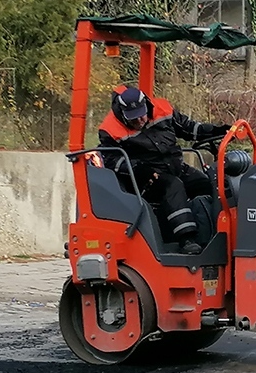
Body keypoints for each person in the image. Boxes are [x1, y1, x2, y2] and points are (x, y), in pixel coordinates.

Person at [98, 85, 231, 255]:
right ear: (122, 114)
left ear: (146, 104)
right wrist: (140, 170)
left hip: (176, 167)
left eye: (141, 116)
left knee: (207, 184)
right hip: (147, 179)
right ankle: (187, 239)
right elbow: (112, 160)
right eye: (133, 119)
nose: (140, 121)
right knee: (173, 186)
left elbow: (188, 128)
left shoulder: (162, 109)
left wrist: (215, 130)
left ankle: (216, 233)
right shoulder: (109, 130)